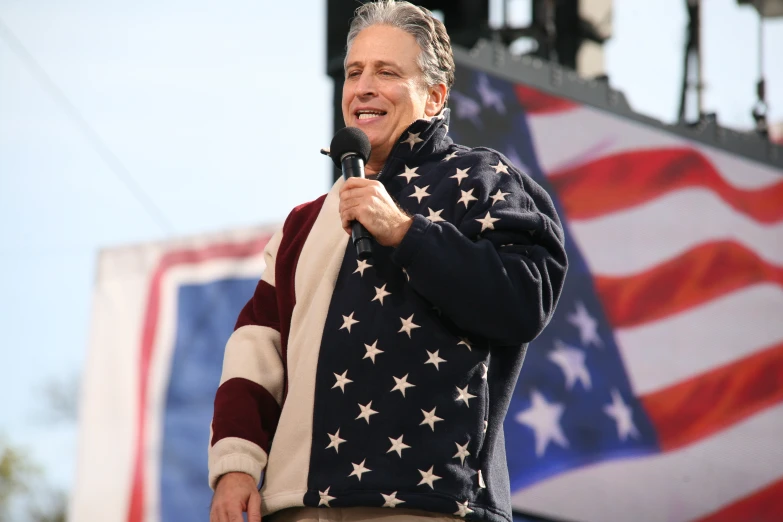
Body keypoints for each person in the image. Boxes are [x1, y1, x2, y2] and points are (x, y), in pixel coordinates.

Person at [208, 1, 568, 521]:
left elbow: (524, 299)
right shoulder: (304, 224)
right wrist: (236, 466)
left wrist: (405, 232)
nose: (363, 87)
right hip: (297, 506)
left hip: (430, 503)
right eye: (354, 72)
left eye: (387, 72)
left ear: (436, 95)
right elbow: (255, 350)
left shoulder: (483, 179)